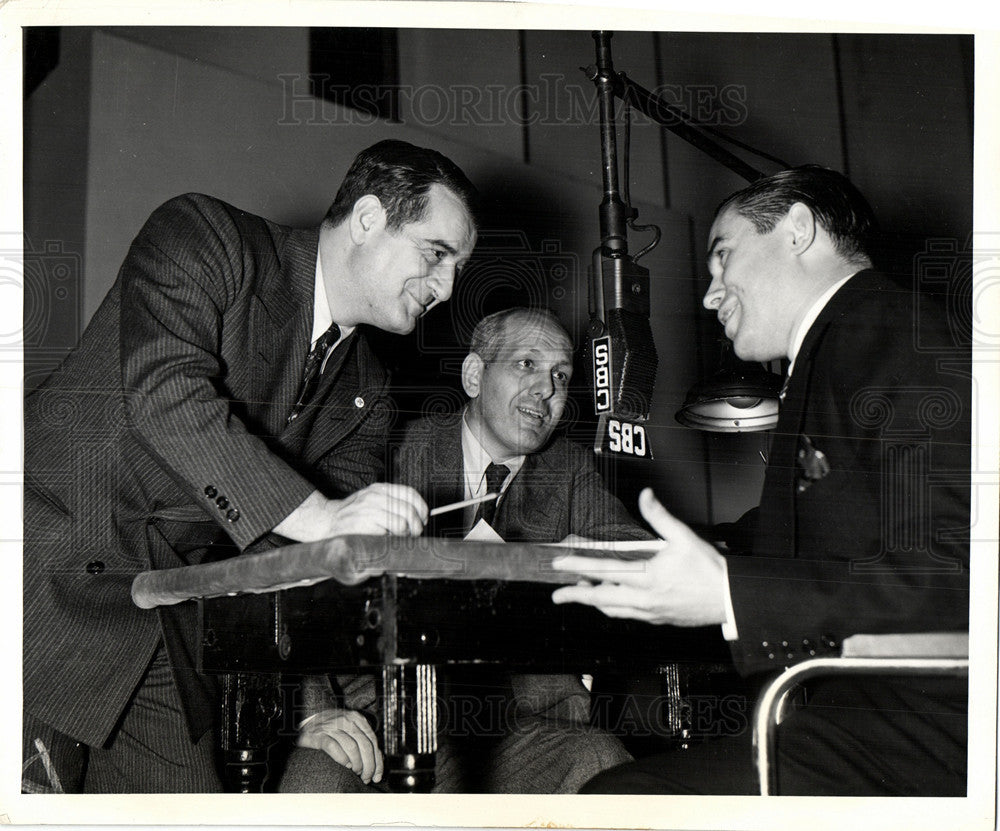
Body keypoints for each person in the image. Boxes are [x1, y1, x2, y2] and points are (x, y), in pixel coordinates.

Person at [22, 139, 478, 793]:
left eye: (460, 268)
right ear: (371, 217)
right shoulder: (206, 239)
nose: (448, 287)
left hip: (162, 628)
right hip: (37, 575)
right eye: (438, 254)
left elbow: (296, 561)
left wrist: (309, 703)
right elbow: (167, 395)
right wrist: (326, 515)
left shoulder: (369, 389)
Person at [552, 166, 970, 795]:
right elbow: (809, 536)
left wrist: (729, 594)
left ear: (798, 230)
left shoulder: (890, 334)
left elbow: (958, 573)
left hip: (926, 737)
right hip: (866, 724)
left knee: (615, 799)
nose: (710, 294)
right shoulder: (846, 345)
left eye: (724, 257)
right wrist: (664, 553)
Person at [279, 307, 650, 793]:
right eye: (526, 365)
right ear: (474, 375)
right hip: (376, 722)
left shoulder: (570, 469)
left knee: (602, 763)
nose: (547, 389)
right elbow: (294, 581)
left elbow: (633, 549)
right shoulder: (391, 446)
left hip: (512, 726)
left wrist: (570, 556)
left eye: (561, 375)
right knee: (315, 784)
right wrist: (315, 713)